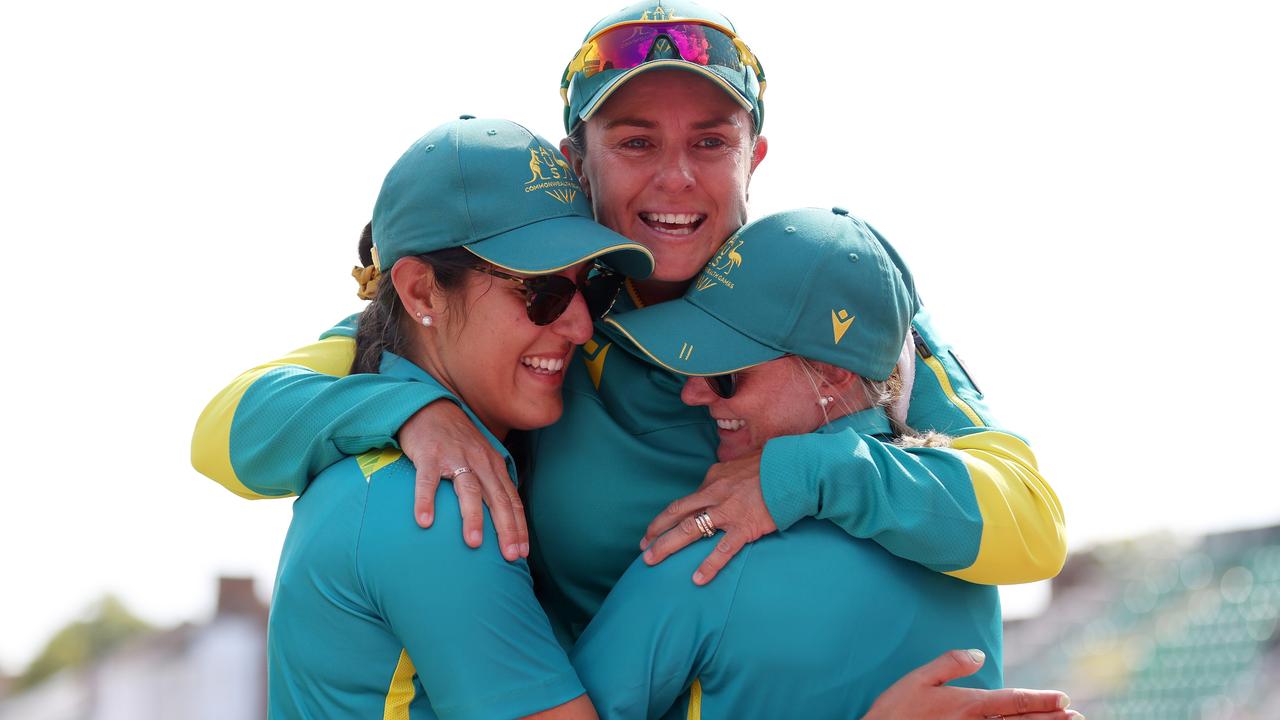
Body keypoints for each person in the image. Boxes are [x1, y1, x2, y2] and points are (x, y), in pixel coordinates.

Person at [192, 0, 1071, 713]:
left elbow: (1034, 524)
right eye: (636, 140)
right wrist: (406, 409)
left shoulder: (832, 310)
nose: (676, 178)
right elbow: (227, 428)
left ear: (755, 158)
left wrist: (807, 473)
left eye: (711, 142)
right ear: (579, 159)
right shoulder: (532, 315)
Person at [266, 116, 654, 719]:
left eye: (592, 290)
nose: (580, 326)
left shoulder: (385, 471)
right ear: (421, 293)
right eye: (541, 292)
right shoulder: (440, 502)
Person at [570, 207, 1026, 717]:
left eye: (724, 374)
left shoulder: (700, 566)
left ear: (832, 374)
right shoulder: (969, 563)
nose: (693, 394)